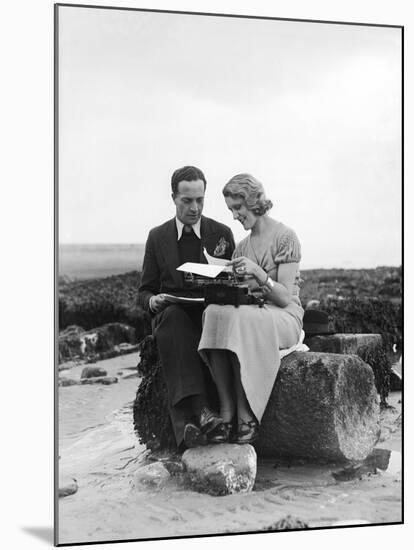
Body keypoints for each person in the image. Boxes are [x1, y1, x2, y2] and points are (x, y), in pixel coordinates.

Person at [198, 173, 304, 444]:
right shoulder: (241, 247)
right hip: (253, 310)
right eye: (231, 209)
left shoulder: (286, 236)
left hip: (284, 316)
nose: (234, 216)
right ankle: (227, 409)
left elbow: (283, 298)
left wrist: (258, 273)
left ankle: (247, 412)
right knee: (213, 313)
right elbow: (242, 296)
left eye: (238, 208)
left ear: (254, 201)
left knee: (239, 319)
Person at [138, 165, 235, 449]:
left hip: (210, 312)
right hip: (173, 314)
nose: (195, 208)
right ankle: (203, 411)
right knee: (173, 319)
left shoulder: (221, 232)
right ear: (174, 198)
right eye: (187, 201)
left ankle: (190, 426)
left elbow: (232, 281)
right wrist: (152, 300)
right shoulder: (158, 237)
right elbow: (144, 290)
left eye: (200, 200)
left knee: (213, 318)